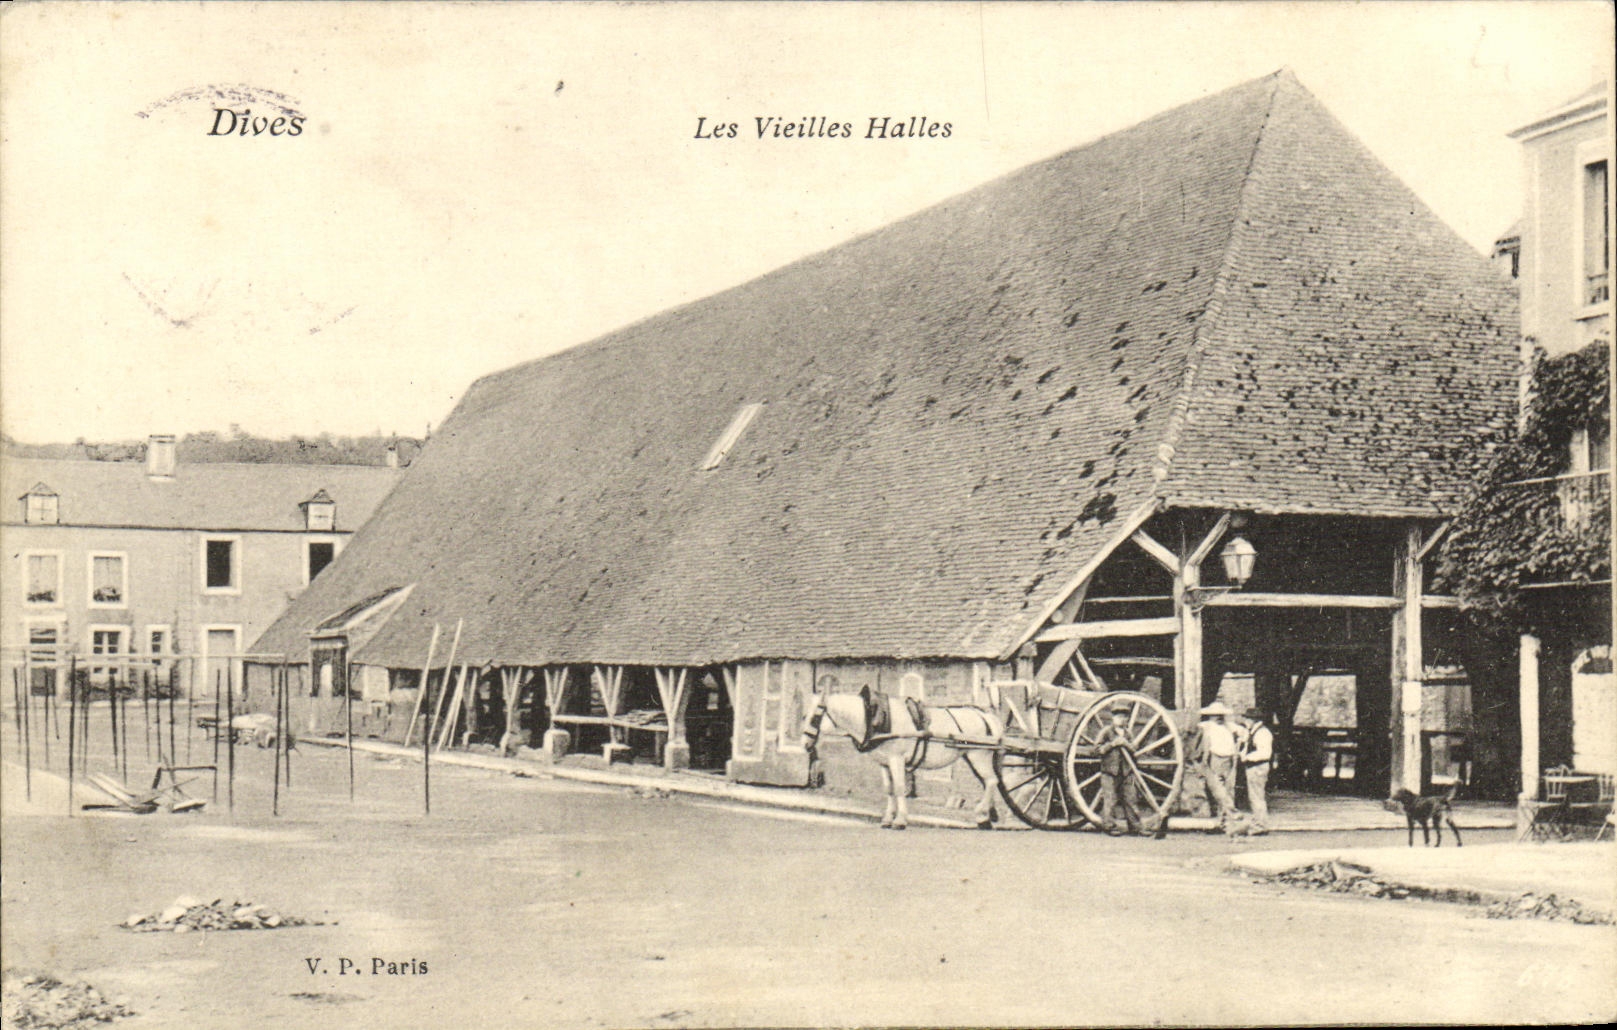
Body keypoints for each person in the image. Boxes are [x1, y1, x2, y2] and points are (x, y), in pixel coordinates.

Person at [1096, 701, 1143, 836]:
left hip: (1126, 771)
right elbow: (1096, 749)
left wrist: (1126, 744)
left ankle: (1135, 827)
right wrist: (1112, 744)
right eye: (1118, 716)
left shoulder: (1127, 733)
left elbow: (1134, 749)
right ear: (1113, 718)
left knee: (1131, 799)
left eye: (1123, 717)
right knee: (1110, 800)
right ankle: (1109, 827)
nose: (1121, 719)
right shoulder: (1106, 732)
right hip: (1110, 771)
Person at [1197, 701, 1242, 833]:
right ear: (1210, 716)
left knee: (1228, 789)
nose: (1218, 717)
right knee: (1218, 790)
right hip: (1216, 758)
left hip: (1229, 760)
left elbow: (1243, 732)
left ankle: (1225, 822)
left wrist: (1239, 743)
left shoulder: (1230, 726)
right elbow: (1196, 730)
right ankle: (1224, 818)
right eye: (1215, 715)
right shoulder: (1207, 726)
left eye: (1220, 715)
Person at [1239, 708, 1274, 835]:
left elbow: (1265, 753)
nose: (1246, 721)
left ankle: (1260, 826)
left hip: (1258, 766)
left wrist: (1247, 757)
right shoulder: (1253, 731)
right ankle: (1258, 822)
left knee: (1257, 797)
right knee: (1254, 796)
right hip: (1253, 767)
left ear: (1254, 720)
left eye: (1247, 718)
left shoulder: (1262, 733)